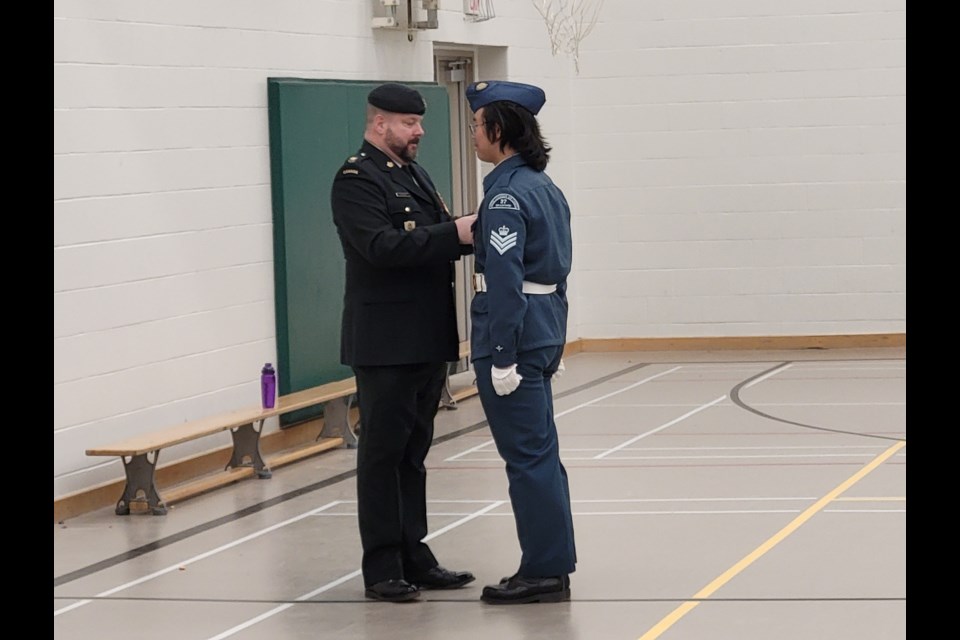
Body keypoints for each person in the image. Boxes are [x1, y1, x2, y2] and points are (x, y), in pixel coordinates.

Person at [330, 82, 478, 603]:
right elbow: (380, 247)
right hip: (386, 343)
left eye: (418, 123)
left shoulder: (412, 172)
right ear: (380, 124)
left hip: (424, 339)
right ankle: (383, 566)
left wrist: (469, 234)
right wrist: (455, 233)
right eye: (410, 124)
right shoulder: (356, 179)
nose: (419, 132)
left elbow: (430, 237)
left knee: (413, 454)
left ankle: (416, 554)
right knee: (382, 456)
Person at [464, 80, 577, 604]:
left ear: (499, 130)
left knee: (528, 458)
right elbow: (558, 270)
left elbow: (507, 282)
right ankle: (550, 561)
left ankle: (544, 569)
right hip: (543, 326)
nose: (472, 135)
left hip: (513, 335)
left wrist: (503, 357)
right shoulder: (542, 186)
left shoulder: (507, 194)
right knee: (541, 454)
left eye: (476, 125)